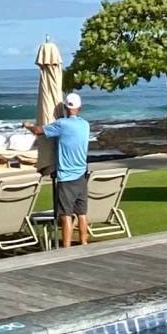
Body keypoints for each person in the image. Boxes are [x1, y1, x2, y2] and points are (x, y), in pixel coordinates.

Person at [41, 91, 92, 247]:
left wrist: (28, 126)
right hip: (82, 175)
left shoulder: (61, 124)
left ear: (65, 107)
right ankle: (83, 242)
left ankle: (67, 247)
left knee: (66, 215)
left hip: (66, 177)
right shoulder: (85, 124)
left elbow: (40, 131)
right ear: (80, 108)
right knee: (82, 213)